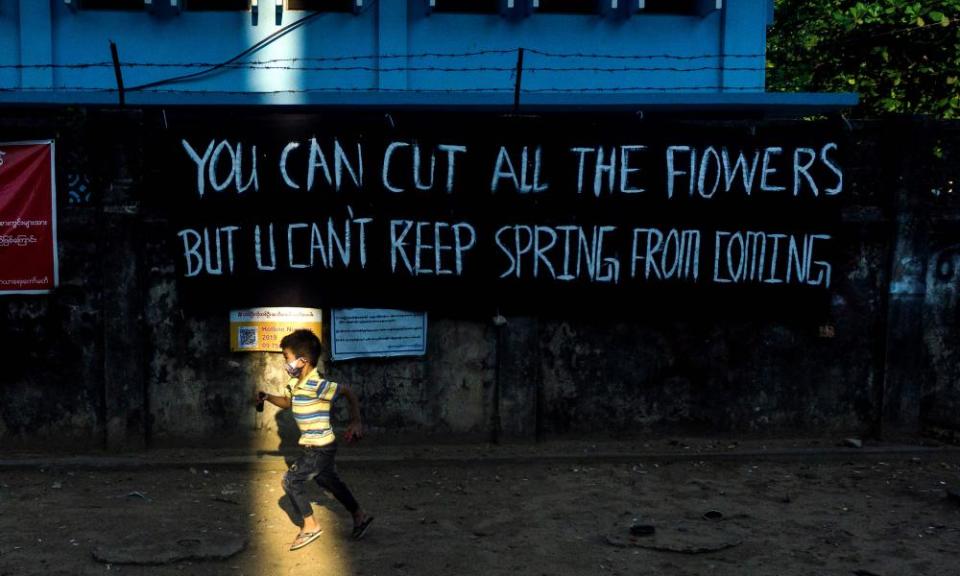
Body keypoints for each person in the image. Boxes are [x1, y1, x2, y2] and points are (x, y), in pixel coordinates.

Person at [255, 329, 374, 551]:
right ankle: (360, 515)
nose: (285, 363)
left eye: (287, 358)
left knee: (290, 480)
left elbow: (347, 392)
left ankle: (310, 526)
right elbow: (287, 402)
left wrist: (356, 421)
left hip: (320, 448)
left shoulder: (318, 385)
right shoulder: (294, 384)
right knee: (329, 482)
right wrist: (268, 397)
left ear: (303, 361)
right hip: (319, 447)